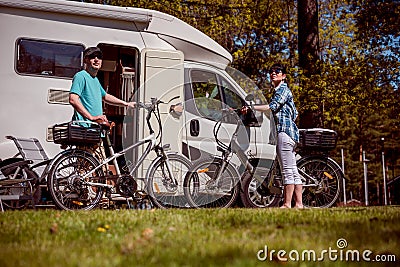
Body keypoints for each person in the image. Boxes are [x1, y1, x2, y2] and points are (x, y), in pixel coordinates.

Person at [248, 63, 303, 209]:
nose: (273, 73)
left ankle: (286, 204)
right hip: (289, 133)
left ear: (284, 76)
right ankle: (299, 204)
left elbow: (272, 107)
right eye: (271, 71)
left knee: (286, 170)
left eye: (277, 71)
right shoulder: (281, 91)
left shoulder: (283, 90)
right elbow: (295, 113)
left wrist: (251, 107)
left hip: (284, 132)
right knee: (292, 169)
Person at [69, 47, 136, 126]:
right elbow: (73, 99)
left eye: (99, 57)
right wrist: (91, 118)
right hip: (84, 129)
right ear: (86, 60)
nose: (96, 60)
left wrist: (126, 104)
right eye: (92, 57)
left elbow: (105, 96)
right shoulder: (81, 76)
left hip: (95, 128)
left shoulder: (95, 80)